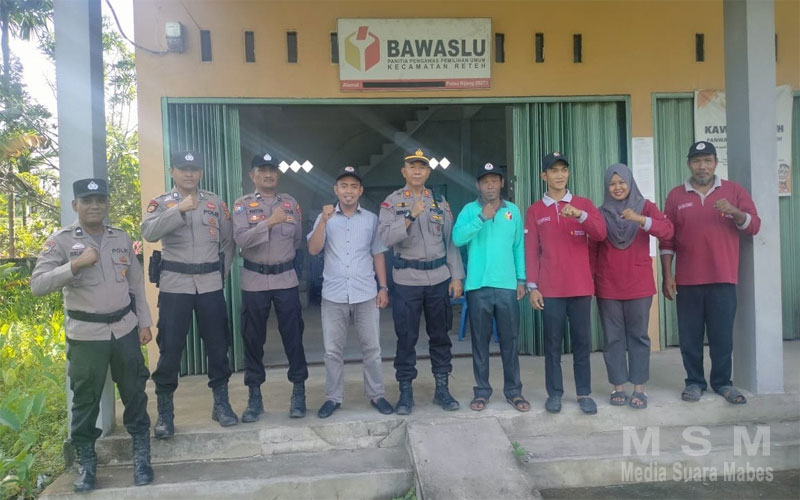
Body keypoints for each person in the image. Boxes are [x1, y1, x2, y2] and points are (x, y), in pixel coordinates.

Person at [31, 178, 153, 492]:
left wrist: (144, 322)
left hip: (124, 329)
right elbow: (38, 285)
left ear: (107, 204)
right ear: (76, 205)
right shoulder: (60, 241)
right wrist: (74, 265)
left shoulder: (120, 238)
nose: (95, 206)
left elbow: (135, 284)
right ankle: (86, 462)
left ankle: (141, 455)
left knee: (135, 392)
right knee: (85, 400)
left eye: (100, 200)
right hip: (86, 335)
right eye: (87, 201)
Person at [141, 150, 237, 437]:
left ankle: (221, 404)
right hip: (175, 286)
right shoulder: (161, 203)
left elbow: (229, 241)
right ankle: (165, 412)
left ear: (201, 173)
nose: (189, 174)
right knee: (170, 348)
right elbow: (149, 232)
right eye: (183, 169)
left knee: (218, 346)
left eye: (194, 169)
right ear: (172, 171)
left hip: (210, 285)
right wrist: (179, 210)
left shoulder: (215, 203)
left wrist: (221, 275)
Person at [660, 141, 761, 405]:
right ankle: (694, 382)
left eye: (707, 160)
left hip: (723, 278)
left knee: (722, 337)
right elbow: (667, 239)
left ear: (716, 163)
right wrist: (667, 275)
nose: (702, 166)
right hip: (688, 281)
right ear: (689, 164)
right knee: (689, 338)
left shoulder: (733, 191)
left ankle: (723, 383)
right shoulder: (676, 196)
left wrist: (735, 212)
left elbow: (754, 226)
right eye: (696, 161)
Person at [378, 148, 465, 414]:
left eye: (422, 167)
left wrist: (456, 276)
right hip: (407, 280)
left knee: (440, 336)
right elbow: (385, 238)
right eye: (412, 167)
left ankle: (442, 389)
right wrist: (410, 216)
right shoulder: (392, 202)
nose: (417, 171)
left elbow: (450, 242)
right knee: (406, 338)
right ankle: (406, 393)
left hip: (438, 278)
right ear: (403, 172)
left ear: (428, 172)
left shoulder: (439, 201)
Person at [307, 165, 393, 418]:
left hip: (365, 292)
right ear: (336, 190)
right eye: (344, 186)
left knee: (372, 349)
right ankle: (333, 398)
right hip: (333, 294)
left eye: (354, 186)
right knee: (332, 351)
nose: (348, 191)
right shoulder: (325, 217)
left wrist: (383, 287)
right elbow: (313, 249)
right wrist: (324, 222)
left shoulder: (371, 219)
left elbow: (378, 254)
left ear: (360, 191)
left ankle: (376, 395)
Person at [525, 152, 607, 415]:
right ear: (544, 176)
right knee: (552, 345)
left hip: (580, 287)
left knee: (582, 342)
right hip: (551, 289)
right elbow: (531, 250)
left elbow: (601, 233)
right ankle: (555, 394)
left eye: (563, 170)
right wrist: (532, 286)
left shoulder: (583, 204)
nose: (559, 175)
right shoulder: (535, 211)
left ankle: (584, 393)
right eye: (554, 170)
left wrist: (581, 215)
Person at [232, 152, 308, 420]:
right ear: (252, 175)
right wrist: (270, 222)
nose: (268, 175)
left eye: (272, 170)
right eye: (262, 170)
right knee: (253, 340)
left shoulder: (291, 204)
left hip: (285, 278)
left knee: (293, 337)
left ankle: (298, 391)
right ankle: (254, 396)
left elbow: (296, 240)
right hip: (255, 280)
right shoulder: (242, 205)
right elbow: (241, 240)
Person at [591, 163, 673, 409]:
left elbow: (667, 231)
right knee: (613, 338)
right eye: (612, 184)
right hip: (608, 285)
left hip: (638, 285)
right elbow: (592, 249)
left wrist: (640, 219)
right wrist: (591, 281)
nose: (617, 187)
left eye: (622, 182)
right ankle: (618, 387)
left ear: (630, 183)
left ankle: (639, 389)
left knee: (638, 336)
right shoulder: (600, 212)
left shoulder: (645, 207)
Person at [452, 162, 529, 412]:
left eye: (495, 180)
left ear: (502, 183)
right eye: (485, 181)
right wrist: (481, 218)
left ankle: (514, 391)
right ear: (478, 185)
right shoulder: (469, 210)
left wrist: (521, 279)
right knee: (480, 342)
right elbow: (457, 238)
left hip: (507, 286)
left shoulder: (513, 211)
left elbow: (519, 247)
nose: (490, 185)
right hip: (478, 286)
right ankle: (482, 391)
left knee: (510, 341)